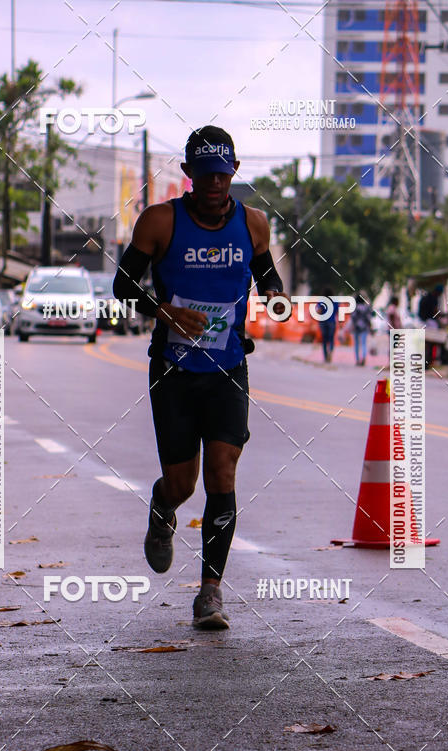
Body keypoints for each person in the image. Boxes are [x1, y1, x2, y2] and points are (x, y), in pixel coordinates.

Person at [113, 125, 286, 629]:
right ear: (189, 172)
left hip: (228, 367)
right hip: (174, 370)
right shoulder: (160, 221)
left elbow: (267, 276)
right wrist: (162, 310)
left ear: (235, 171)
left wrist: (276, 296)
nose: (214, 183)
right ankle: (162, 506)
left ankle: (210, 591)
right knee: (183, 483)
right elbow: (123, 285)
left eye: (222, 174)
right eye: (205, 174)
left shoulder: (253, 223)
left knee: (223, 473)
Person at [418, 284, 443, 368]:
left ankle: (425, 362)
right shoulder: (433, 299)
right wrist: (441, 316)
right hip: (429, 323)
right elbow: (435, 312)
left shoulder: (426, 297)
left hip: (422, 322)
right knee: (430, 343)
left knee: (426, 344)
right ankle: (428, 361)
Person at [350, 293, 373, 365]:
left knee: (356, 344)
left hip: (356, 327)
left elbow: (353, 317)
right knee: (364, 344)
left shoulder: (355, 308)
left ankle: (357, 360)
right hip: (364, 327)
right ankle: (363, 357)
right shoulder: (366, 308)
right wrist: (370, 326)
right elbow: (369, 318)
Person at [317, 290, 338, 362]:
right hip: (332, 321)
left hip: (323, 321)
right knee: (331, 338)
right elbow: (337, 311)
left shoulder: (322, 300)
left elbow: (318, 310)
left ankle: (325, 356)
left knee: (324, 339)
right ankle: (330, 352)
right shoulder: (335, 301)